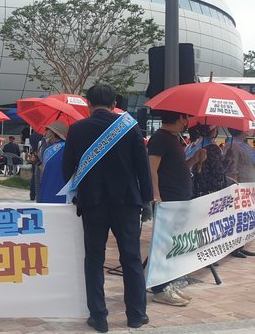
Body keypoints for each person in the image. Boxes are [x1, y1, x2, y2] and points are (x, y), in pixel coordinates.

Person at [62, 84, 152, 332]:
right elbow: (142, 167)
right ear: (114, 104)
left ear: (88, 104)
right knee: (131, 259)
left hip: (92, 203)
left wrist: (78, 195)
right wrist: (147, 199)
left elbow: (67, 168)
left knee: (94, 259)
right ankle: (136, 315)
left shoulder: (77, 129)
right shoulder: (129, 126)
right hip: (126, 203)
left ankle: (99, 317)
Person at [147, 110, 205, 306]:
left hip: (178, 200)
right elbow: (151, 168)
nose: (187, 122)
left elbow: (178, 168)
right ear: (180, 118)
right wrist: (156, 194)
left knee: (172, 245)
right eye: (185, 117)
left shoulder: (174, 139)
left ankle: (166, 284)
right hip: (167, 201)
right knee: (164, 244)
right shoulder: (160, 138)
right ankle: (159, 288)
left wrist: (195, 159)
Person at [224, 128, 255, 258]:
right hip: (240, 188)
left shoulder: (244, 145)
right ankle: (234, 247)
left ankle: (241, 245)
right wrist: (236, 187)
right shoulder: (232, 145)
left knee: (245, 219)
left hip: (249, 188)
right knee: (238, 218)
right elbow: (232, 168)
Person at [190, 125, 227, 199]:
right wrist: (227, 162)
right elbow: (218, 171)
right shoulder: (213, 148)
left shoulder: (191, 146)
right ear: (213, 131)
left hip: (194, 188)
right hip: (210, 191)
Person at [38, 121, 68, 204]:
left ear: (53, 133)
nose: (45, 133)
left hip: (47, 191)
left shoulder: (49, 150)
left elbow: (44, 171)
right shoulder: (69, 148)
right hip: (63, 193)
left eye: (47, 130)